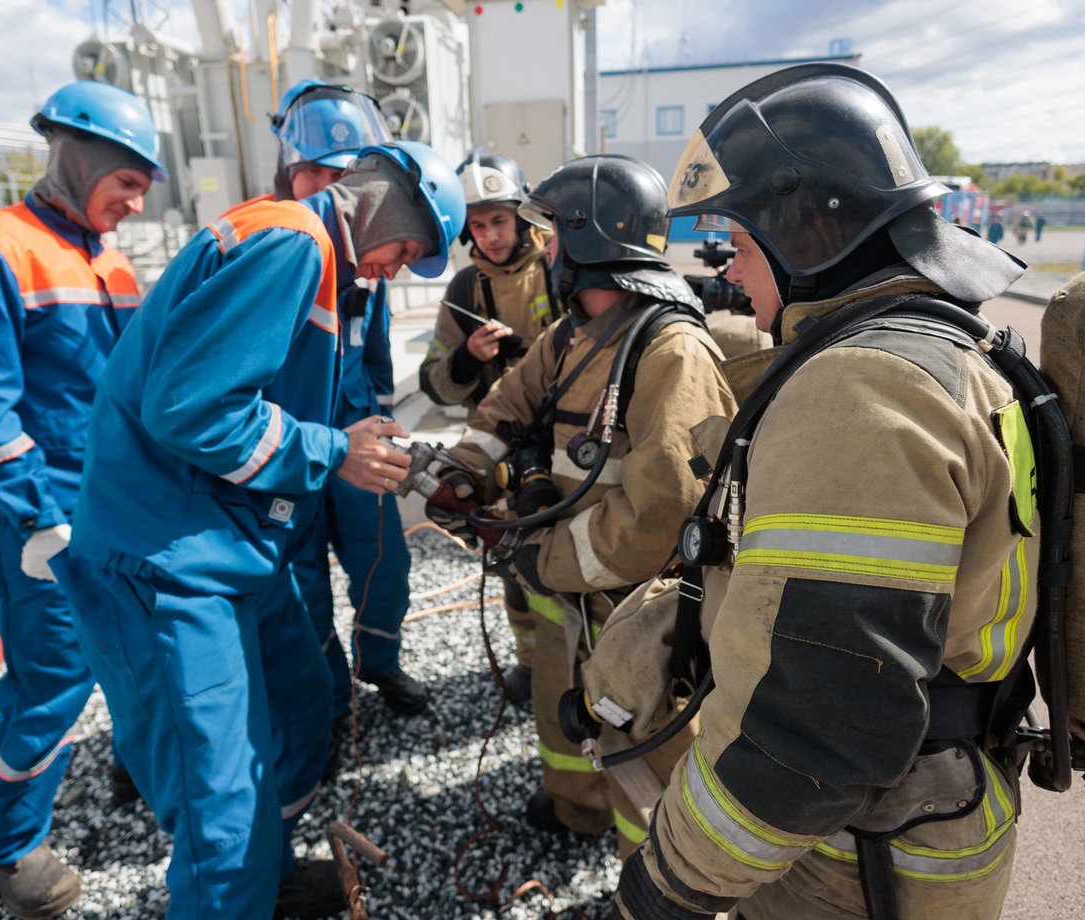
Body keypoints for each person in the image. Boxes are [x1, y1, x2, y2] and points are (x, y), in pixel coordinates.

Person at [605, 63, 1032, 919]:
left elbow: (816, 725)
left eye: (743, 240)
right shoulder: (947, 351)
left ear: (807, 234)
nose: (735, 272)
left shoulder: (865, 391)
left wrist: (670, 880)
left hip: (856, 853)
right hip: (921, 809)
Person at [52, 140, 464, 919]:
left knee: (304, 704)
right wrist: (335, 451)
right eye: (407, 249)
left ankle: (263, 880)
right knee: (223, 809)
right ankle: (236, 885)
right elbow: (192, 409)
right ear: (379, 203)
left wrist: (352, 437)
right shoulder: (293, 243)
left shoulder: (326, 271)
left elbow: (277, 399)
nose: (398, 269)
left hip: (225, 547)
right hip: (166, 562)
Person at [427, 155, 738, 854]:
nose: (547, 251)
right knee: (558, 704)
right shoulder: (571, 335)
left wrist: (542, 555)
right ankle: (577, 808)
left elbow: (661, 518)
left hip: (635, 612)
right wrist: (463, 472)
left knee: (645, 751)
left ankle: (651, 876)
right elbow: (508, 405)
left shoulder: (669, 352)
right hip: (569, 591)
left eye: (555, 236)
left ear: (590, 244)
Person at [0, 80, 165, 919]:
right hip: (46, 523)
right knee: (53, 677)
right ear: (80, 156)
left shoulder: (111, 260)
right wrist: (37, 518)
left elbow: (129, 387)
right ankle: (6, 844)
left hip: (112, 509)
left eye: (142, 189)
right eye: (128, 183)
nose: (135, 204)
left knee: (137, 647)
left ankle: (132, 764)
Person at [266, 80, 430, 740]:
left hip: (358, 435)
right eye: (318, 173)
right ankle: (329, 706)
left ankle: (377, 662)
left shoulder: (369, 259)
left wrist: (384, 427)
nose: (334, 189)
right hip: (291, 448)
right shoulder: (274, 248)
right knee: (301, 589)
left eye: (345, 174)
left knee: (384, 559)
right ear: (290, 171)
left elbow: (379, 355)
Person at [418, 146, 561, 703]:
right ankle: (530, 659)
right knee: (509, 559)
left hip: (566, 441)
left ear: (522, 215)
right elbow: (433, 381)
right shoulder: (463, 291)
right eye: (477, 225)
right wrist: (468, 357)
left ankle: (579, 655)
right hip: (498, 447)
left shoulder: (558, 265)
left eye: (499, 220)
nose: (490, 235)